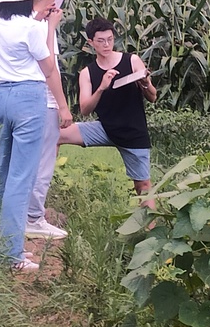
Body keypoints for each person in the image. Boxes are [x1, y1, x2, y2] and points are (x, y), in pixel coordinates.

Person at [0, 0, 72, 272]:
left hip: (1, 97)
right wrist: (63, 106)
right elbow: (49, 70)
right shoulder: (32, 28)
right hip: (29, 99)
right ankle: (10, 255)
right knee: (21, 179)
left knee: (4, 172)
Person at [58, 17, 157, 201]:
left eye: (110, 39)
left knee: (143, 187)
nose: (107, 44)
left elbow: (153, 97)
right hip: (104, 128)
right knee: (55, 135)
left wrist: (144, 84)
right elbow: (85, 109)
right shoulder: (88, 73)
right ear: (91, 43)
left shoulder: (132, 61)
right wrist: (102, 87)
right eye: (101, 41)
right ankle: (41, 191)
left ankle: (151, 228)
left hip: (133, 132)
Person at [25, 0, 68, 240]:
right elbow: (50, 68)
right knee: (43, 162)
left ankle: (23, 214)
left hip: (25, 99)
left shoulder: (13, 21)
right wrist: (62, 106)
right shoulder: (39, 26)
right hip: (45, 100)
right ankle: (34, 217)